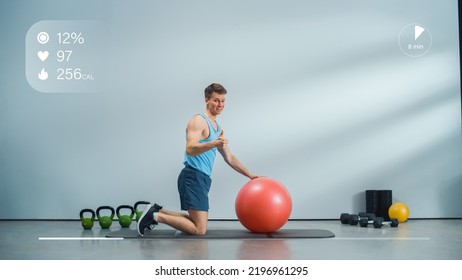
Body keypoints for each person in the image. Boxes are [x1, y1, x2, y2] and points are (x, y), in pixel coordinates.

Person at [137, 83, 258, 236]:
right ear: (206, 100)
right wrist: (214, 143)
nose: (220, 104)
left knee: (196, 222)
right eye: (216, 100)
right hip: (193, 176)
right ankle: (155, 216)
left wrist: (250, 175)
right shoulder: (198, 121)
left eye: (223, 101)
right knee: (199, 229)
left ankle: (156, 210)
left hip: (202, 178)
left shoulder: (217, 128)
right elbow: (190, 148)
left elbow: (229, 157)